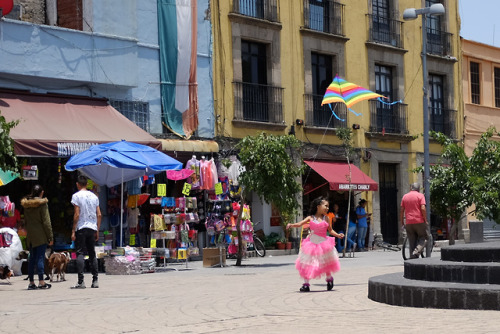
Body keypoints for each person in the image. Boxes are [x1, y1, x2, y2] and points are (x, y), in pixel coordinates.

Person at [286, 196, 344, 292]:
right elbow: (300, 224)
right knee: (307, 264)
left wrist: (338, 235)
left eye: (328, 206)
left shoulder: (326, 218)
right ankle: (306, 284)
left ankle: (329, 279)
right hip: (311, 244)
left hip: (323, 244)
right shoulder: (310, 218)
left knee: (326, 263)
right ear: (318, 206)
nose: (327, 208)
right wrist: (291, 225)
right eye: (325, 206)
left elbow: (330, 230)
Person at [71, 175, 102, 289]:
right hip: (92, 227)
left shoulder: (76, 196)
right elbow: (99, 214)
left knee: (80, 253)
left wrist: (73, 230)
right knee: (92, 253)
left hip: (81, 227)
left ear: (78, 184)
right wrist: (97, 229)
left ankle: (81, 281)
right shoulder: (94, 196)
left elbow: (77, 214)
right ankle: (95, 280)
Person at [21, 184, 53, 290]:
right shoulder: (42, 204)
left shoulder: (26, 205)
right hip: (40, 236)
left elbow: (25, 221)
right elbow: (46, 222)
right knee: (40, 258)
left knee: (32, 259)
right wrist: (50, 237)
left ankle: (31, 283)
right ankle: (41, 282)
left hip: (30, 236)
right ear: (41, 193)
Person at [400, 183, 428, 259]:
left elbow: (402, 210)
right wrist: (425, 219)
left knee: (411, 240)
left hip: (409, 222)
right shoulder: (420, 196)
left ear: (410, 188)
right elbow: (423, 208)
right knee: (424, 237)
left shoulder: (405, 196)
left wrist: (402, 221)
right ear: (418, 189)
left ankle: (412, 258)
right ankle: (416, 252)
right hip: (419, 220)